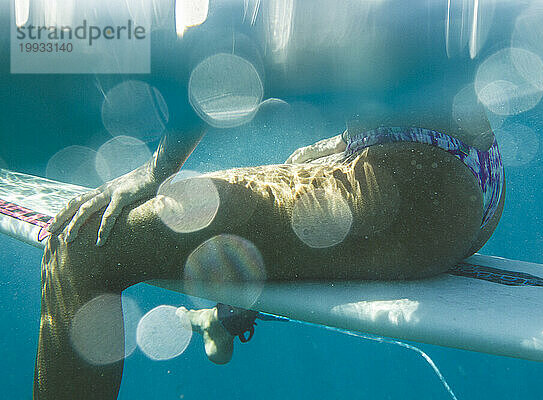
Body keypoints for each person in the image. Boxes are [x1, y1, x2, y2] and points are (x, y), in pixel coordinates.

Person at [38, 115, 504, 399]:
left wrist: (156, 170)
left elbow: (219, 42)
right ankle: (223, 317)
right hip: (476, 179)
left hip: (414, 197)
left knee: (81, 250)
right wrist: (351, 140)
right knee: (295, 175)